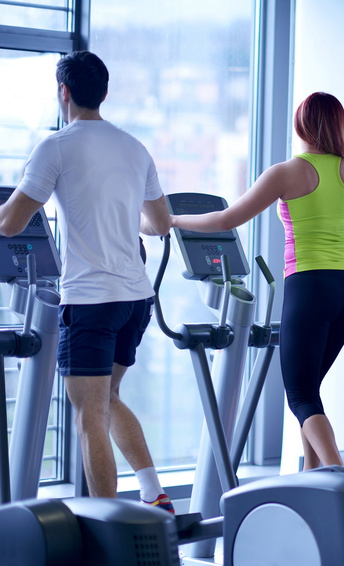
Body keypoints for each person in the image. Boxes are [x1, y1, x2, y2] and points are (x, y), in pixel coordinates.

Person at [171, 92, 344, 470]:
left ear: (301, 124)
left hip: (309, 287)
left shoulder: (288, 171)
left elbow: (226, 220)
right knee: (311, 390)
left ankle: (340, 477)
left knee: (300, 395)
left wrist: (173, 220)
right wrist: (340, 247)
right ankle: (313, 474)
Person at [0, 51, 174, 511]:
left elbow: (11, 223)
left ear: (64, 92)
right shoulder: (135, 148)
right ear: (105, 93)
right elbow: (159, 223)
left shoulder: (56, 146)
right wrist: (116, 216)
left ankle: (110, 527)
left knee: (88, 413)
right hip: (136, 299)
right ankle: (155, 494)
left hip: (92, 302)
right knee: (110, 396)